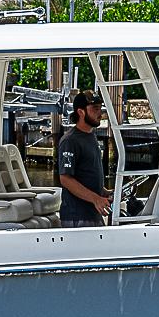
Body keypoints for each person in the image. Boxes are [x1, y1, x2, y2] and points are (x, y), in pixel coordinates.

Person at [57, 90, 111, 226]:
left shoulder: (90, 136)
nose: (100, 113)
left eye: (100, 108)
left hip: (92, 214)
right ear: (81, 112)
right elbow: (65, 179)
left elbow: (87, 173)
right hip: (77, 217)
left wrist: (104, 192)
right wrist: (95, 199)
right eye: (95, 109)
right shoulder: (70, 141)